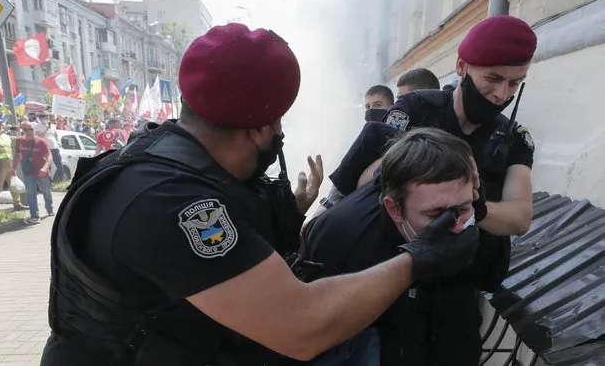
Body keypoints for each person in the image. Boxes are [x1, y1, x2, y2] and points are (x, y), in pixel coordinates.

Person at [41, 23, 480, 366]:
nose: (281, 134)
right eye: (278, 122)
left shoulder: (183, 165)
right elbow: (301, 326)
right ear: (259, 128)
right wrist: (416, 259)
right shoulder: (171, 201)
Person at [322, 15, 537, 364]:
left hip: (459, 292)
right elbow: (365, 185)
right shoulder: (414, 110)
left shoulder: (514, 138)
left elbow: (520, 216)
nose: (502, 94)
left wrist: (474, 208)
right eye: (493, 78)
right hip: (396, 278)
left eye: (515, 84)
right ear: (462, 66)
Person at [305, 128, 494, 366]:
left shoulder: (471, 216)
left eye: (463, 208)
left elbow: (490, 277)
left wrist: (479, 214)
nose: (454, 226)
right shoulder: (343, 237)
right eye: (436, 214)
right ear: (394, 208)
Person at [13, 121, 54, 223]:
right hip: (28, 171)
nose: (29, 131)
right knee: (31, 193)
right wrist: (13, 169)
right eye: (26, 129)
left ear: (34, 129)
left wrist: (45, 168)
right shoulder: (19, 141)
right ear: (23, 130)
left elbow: (49, 156)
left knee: (46, 192)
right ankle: (34, 215)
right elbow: (17, 155)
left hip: (42, 172)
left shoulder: (41, 142)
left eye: (31, 129)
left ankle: (49, 208)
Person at [35, 112, 64, 183]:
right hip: (45, 149)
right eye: (46, 118)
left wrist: (58, 142)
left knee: (59, 164)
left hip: (54, 148)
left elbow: (55, 135)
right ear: (40, 118)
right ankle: (49, 182)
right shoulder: (37, 126)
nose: (47, 119)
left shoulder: (52, 125)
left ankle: (61, 180)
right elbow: (40, 136)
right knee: (48, 165)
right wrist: (46, 128)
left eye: (48, 118)